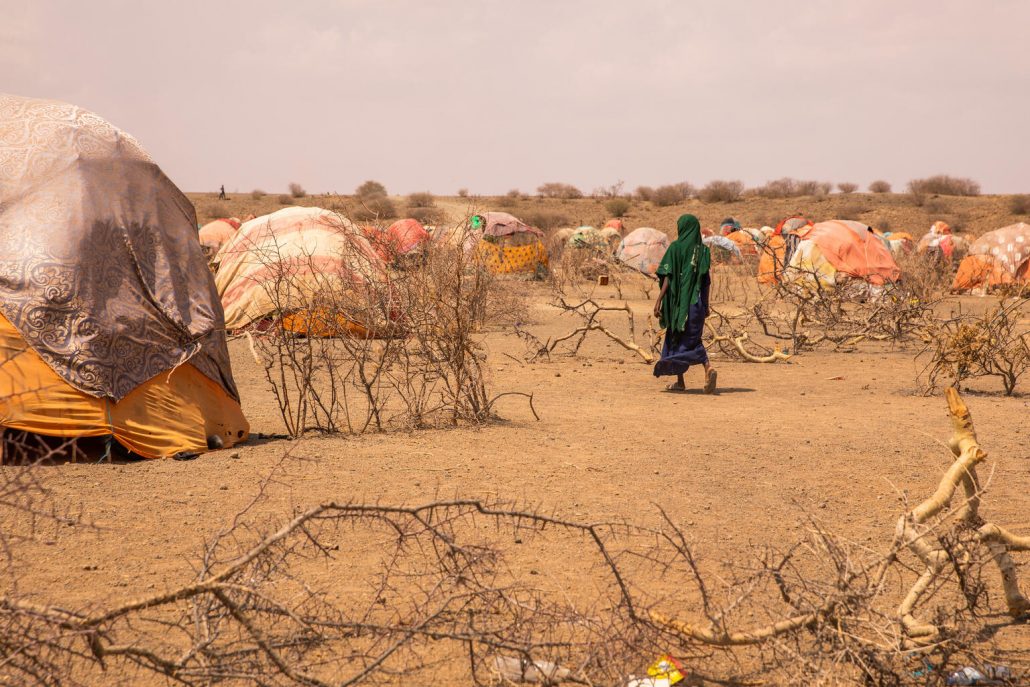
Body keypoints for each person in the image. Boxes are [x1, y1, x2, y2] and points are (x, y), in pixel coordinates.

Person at [652, 214, 716, 393]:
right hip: (696, 306)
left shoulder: (674, 248)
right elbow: (706, 282)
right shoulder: (702, 252)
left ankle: (689, 377)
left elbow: (667, 277)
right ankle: (700, 372)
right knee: (693, 339)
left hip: (677, 306)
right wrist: (706, 305)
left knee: (675, 338)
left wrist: (659, 301)